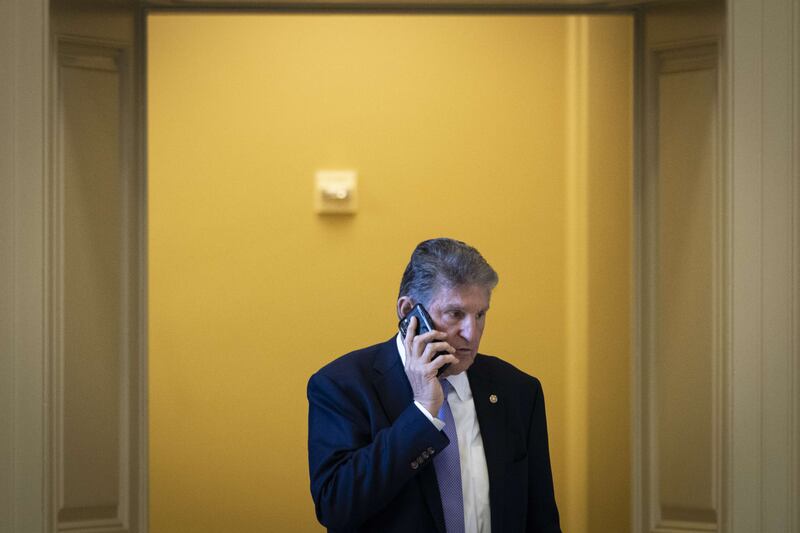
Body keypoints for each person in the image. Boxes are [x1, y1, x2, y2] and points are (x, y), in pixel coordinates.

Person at [307, 238, 561, 533]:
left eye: (480, 314)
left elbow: (541, 519)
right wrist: (423, 412)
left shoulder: (517, 390)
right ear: (408, 311)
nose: (471, 333)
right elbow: (336, 507)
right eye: (455, 314)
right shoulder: (342, 385)